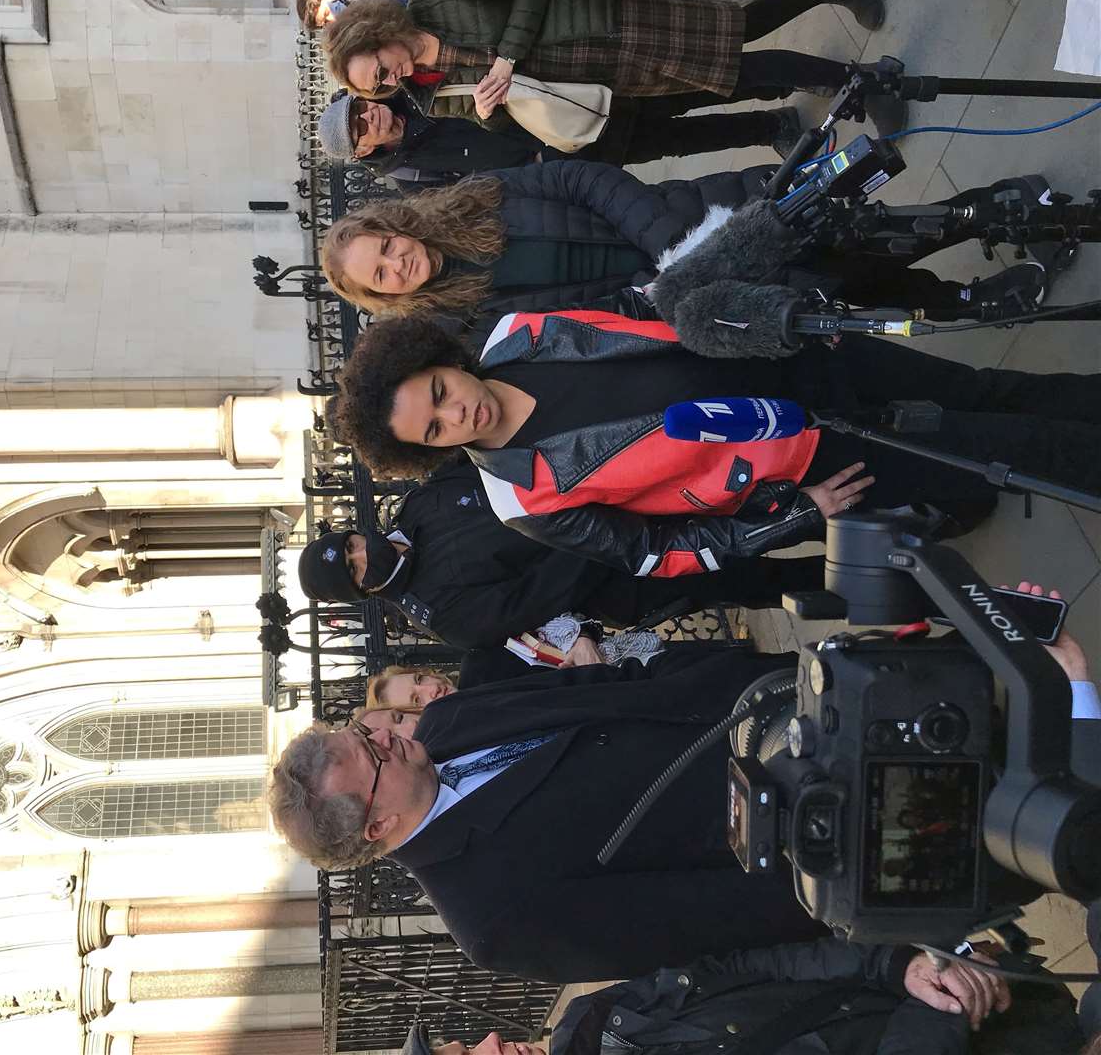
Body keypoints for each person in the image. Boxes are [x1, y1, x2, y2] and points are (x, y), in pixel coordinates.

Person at [325, 310, 1101, 577]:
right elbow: (655, 553)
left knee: (982, 388)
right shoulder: (521, 496)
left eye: (437, 393)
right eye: (432, 430)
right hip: (808, 455)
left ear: (439, 362)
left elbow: (649, 304)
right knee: (1003, 446)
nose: (452, 415)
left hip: (794, 361)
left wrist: (771, 320)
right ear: (429, 451)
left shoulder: (517, 333)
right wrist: (796, 516)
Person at [270, 642, 835, 981]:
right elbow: (705, 920)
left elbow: (594, 687)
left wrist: (720, 670)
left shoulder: (446, 722)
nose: (383, 737)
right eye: (371, 755)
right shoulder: (492, 919)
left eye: (359, 734)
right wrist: (827, 878)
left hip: (775, 692)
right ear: (377, 825)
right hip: (809, 818)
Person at [319, 164, 1059, 331]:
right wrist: (656, 295)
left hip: (689, 222)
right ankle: (965, 299)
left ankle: (991, 214)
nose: (396, 264)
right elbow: (573, 329)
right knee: (842, 287)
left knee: (862, 231)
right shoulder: (465, 320)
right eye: (381, 277)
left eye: (385, 247)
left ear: (396, 226)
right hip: (678, 297)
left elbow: (582, 180)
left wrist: (670, 243)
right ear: (385, 296)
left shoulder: (472, 195)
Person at [322, 0, 906, 155]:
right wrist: (487, 109)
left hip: (602, 22)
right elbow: (496, 124)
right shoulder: (427, 95)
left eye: (379, 73)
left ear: (375, 35)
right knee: (734, 71)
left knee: (737, 34)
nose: (389, 85)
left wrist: (507, 53)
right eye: (380, 87)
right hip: (607, 77)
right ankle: (858, 76)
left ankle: (836, 16)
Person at [296, 457, 824, 647]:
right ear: (361, 590)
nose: (362, 555)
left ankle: (858, 509)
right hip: (626, 573)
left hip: (622, 496)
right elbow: (545, 594)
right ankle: (875, 580)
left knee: (758, 499)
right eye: (354, 570)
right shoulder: (444, 615)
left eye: (351, 547)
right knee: (760, 577)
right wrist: (594, 528)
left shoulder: (419, 504)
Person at [397, 936, 1086, 1055]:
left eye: (467, 1038)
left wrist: (901, 967)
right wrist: (936, 1012)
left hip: (982, 1004)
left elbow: (752, 965)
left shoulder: (589, 1018)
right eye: (469, 1054)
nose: (490, 1041)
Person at [317, 88, 804, 185]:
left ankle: (773, 88)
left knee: (671, 101)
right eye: (359, 127)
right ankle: (769, 126)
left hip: (555, 107)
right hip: (553, 156)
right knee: (672, 142)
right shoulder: (409, 173)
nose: (369, 117)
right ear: (362, 150)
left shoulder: (412, 90)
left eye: (360, 108)